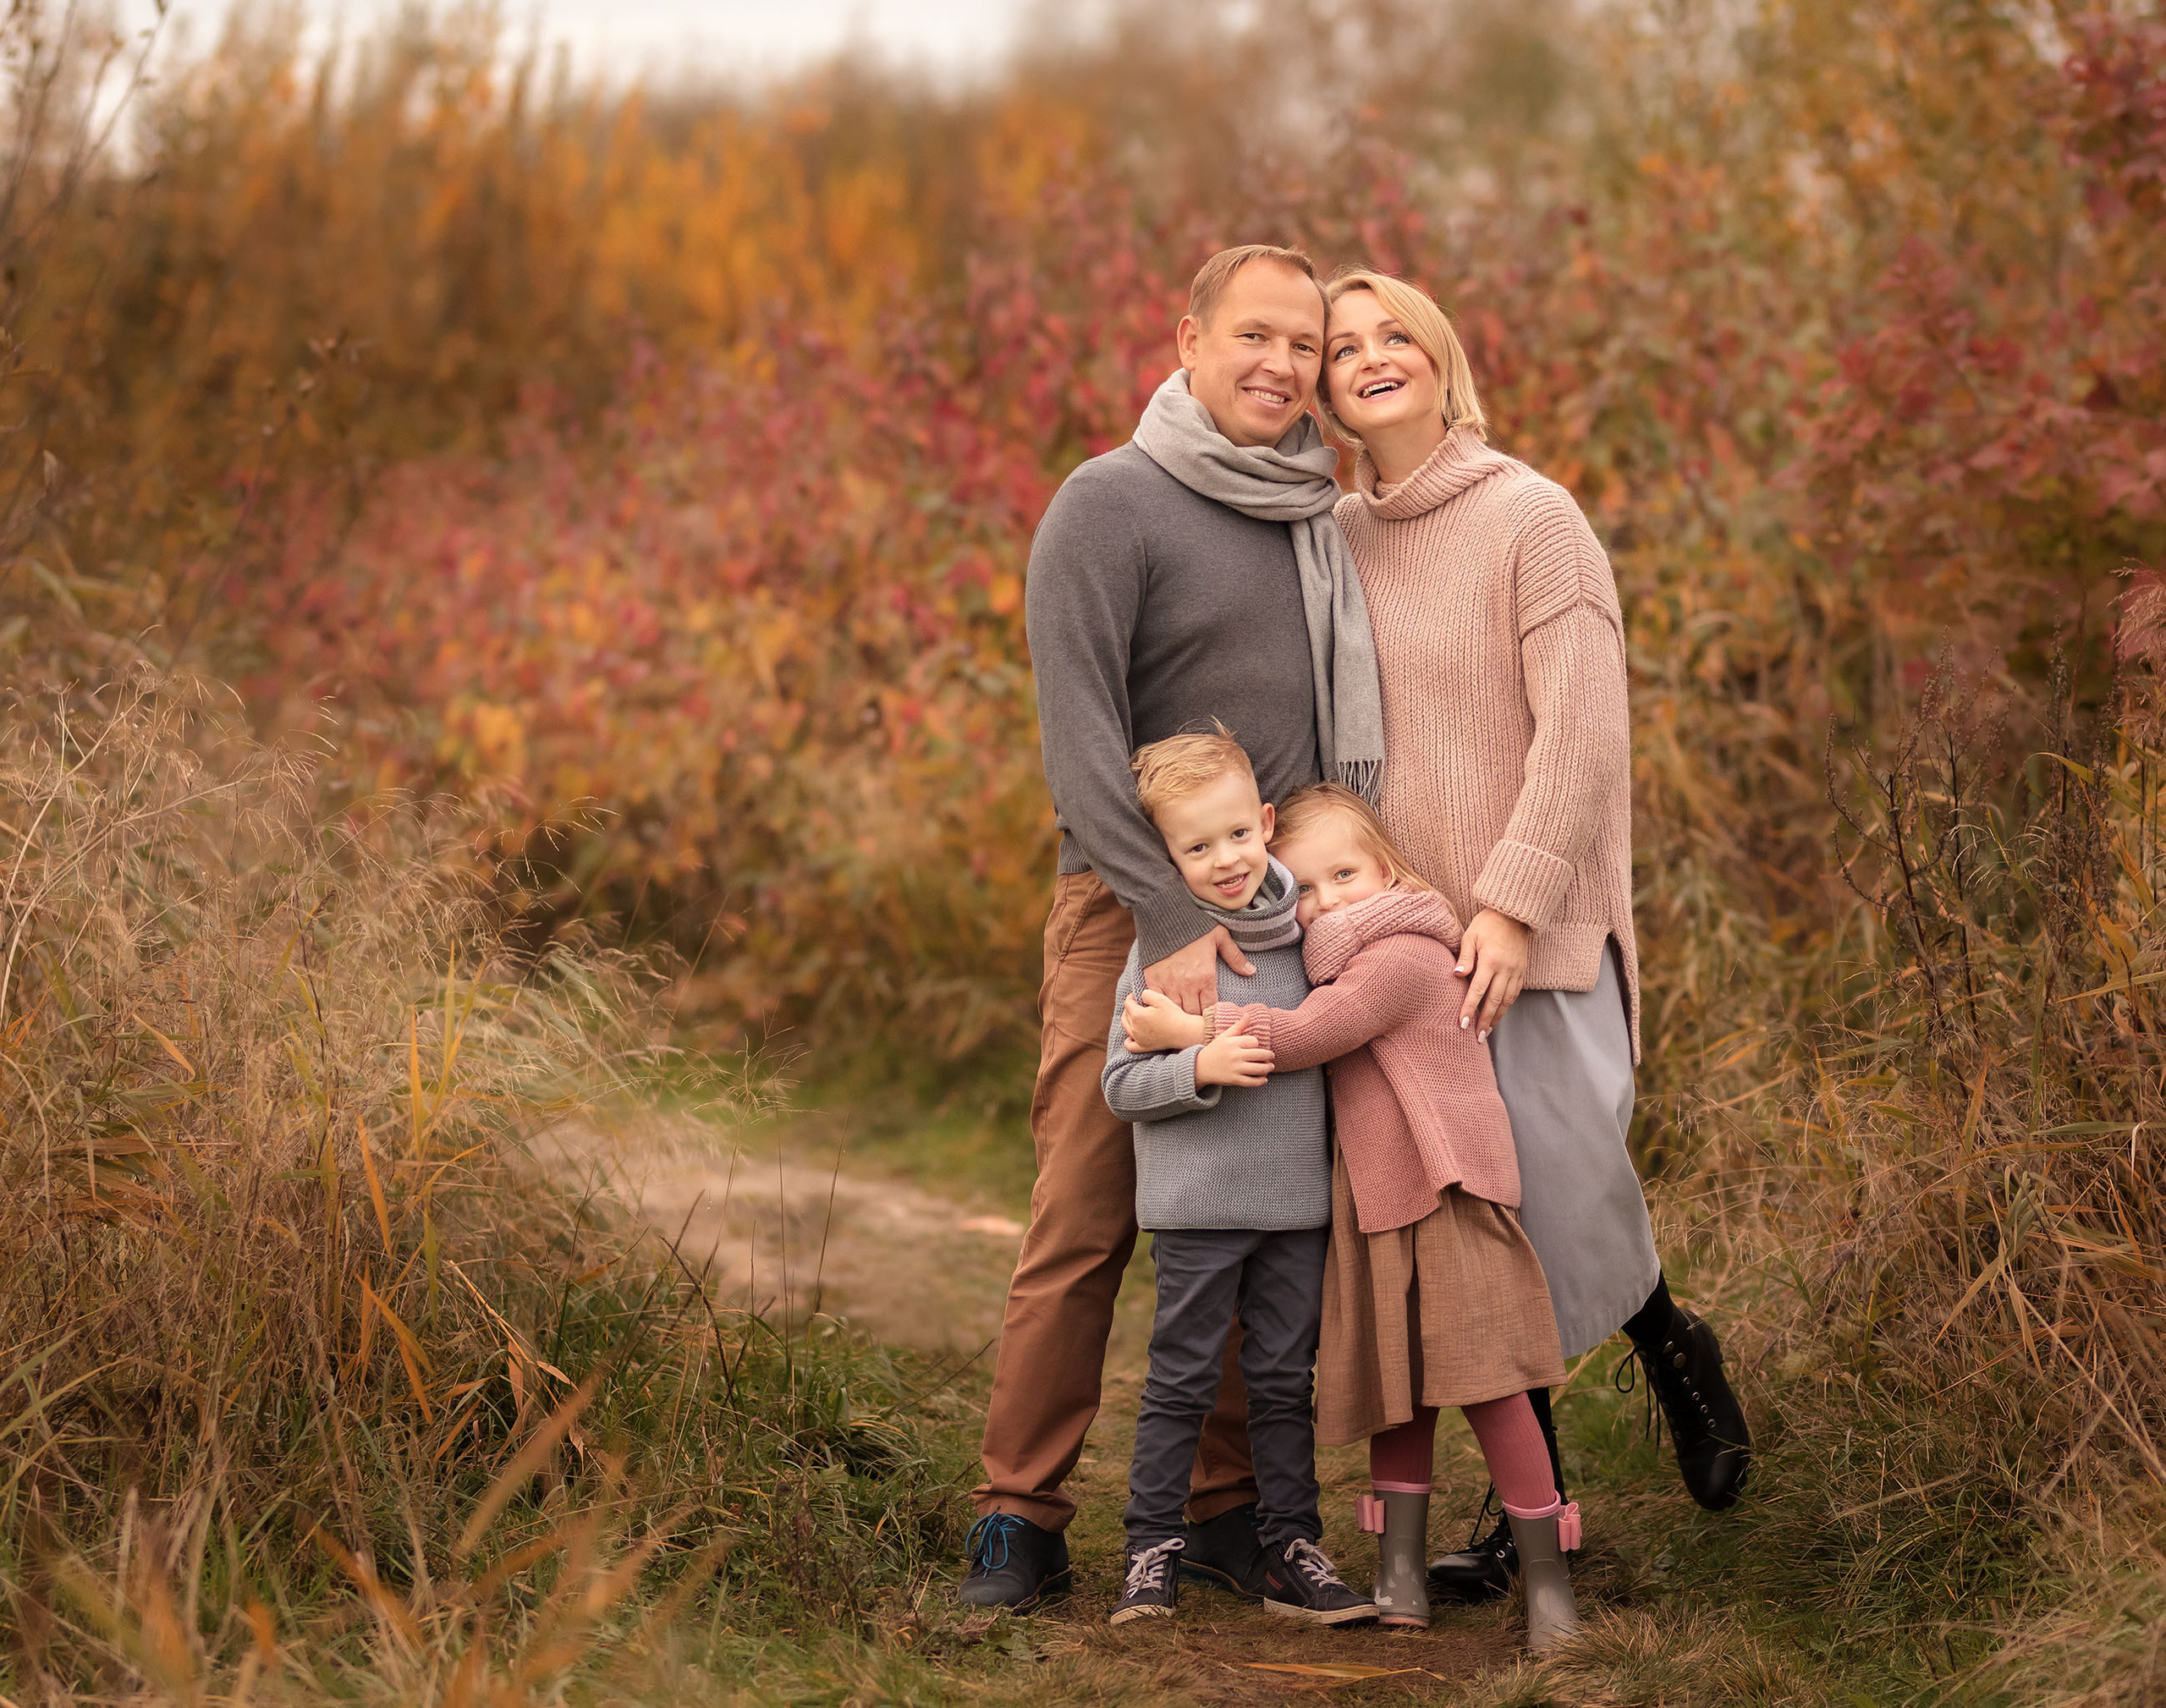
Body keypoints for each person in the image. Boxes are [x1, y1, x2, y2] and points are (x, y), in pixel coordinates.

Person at [1314, 267, 1752, 1602]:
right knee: (1475, 1225)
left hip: (1533, 925)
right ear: (1325, 391)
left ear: (1444, 361)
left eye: (1397, 335)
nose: (1371, 356)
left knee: (1558, 1196)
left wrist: (1509, 897)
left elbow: (1584, 732)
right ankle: (1533, 1520)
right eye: (1344, 347)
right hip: (1403, 948)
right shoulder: (1328, 531)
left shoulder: (1534, 518)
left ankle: (1675, 1339)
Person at [960, 242, 1387, 1611]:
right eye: (1253, 334)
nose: (1280, 365)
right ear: (1190, 336)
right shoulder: (1110, 501)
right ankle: (1019, 1513)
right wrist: (1167, 917)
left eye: (1303, 344)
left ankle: (1224, 1511)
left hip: (1275, 912)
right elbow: (1079, 734)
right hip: (1125, 905)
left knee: (1257, 1212)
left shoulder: (1314, 514)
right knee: (1087, 1210)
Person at [1125, 783, 1581, 1650]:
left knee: (1489, 1385)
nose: (1328, 899)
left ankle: (1549, 1582)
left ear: (1389, 868)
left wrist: (1191, 1030)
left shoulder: (1403, 951)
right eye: (1304, 887)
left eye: (1344, 873)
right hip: (1382, 1202)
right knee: (1396, 1391)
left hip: (1449, 1193)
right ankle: (1398, 1574)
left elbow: (1307, 1033)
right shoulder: (1336, 956)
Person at [1097, 732, 1374, 1628]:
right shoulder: (1165, 952)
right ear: (1164, 856)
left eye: (1234, 836)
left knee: (1281, 1379)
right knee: (1179, 1379)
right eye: (1193, 846)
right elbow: (1121, 1084)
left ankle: (1290, 1547)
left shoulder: (1316, 937)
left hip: (1295, 1207)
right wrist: (1199, 1068)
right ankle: (1150, 1550)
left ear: (1264, 824)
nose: (1222, 861)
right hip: (1196, 1209)